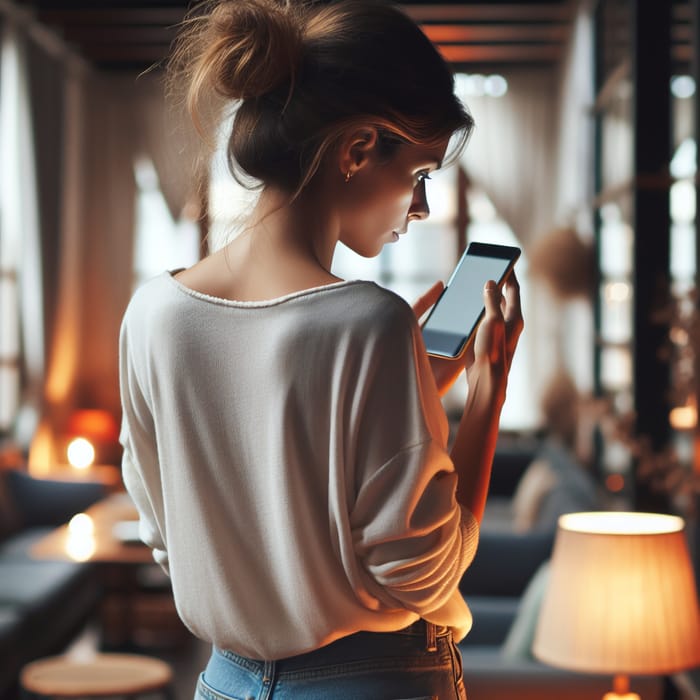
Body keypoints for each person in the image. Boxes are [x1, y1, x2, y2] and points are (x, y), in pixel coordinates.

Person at [118, 1, 523, 698]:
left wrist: (414, 392)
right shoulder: (369, 322)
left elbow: (167, 531)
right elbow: (426, 575)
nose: (420, 207)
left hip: (222, 681)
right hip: (374, 680)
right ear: (359, 147)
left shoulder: (152, 313)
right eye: (420, 174)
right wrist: (486, 396)